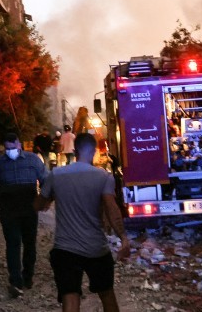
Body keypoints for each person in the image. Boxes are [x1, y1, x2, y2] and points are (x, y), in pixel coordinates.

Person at [36, 133, 131, 312]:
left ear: (75, 150)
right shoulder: (103, 177)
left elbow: (41, 205)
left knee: (70, 297)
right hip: (96, 248)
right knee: (107, 295)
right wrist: (123, 238)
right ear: (93, 151)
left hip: (65, 249)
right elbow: (112, 209)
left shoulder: (56, 175)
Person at [0, 133, 49, 298]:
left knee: (30, 245)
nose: (10, 152)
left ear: (19, 145)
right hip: (9, 211)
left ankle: (28, 276)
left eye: (12, 148)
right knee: (13, 244)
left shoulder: (33, 160)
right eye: (7, 149)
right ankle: (16, 281)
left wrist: (45, 200)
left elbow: (45, 181)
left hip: (29, 209)